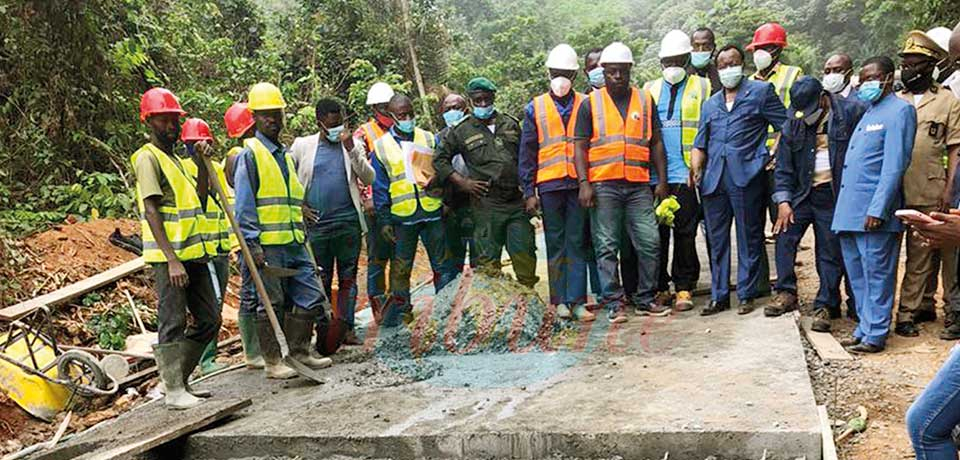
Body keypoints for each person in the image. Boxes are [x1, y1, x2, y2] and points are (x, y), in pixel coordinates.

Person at [233, 82, 333, 377]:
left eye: (276, 113)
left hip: (294, 241)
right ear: (254, 118)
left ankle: (300, 352)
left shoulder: (285, 156)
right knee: (271, 302)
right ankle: (273, 361)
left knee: (311, 293)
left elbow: (292, 200)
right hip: (269, 245)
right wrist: (252, 245)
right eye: (265, 115)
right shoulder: (249, 155)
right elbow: (244, 206)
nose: (272, 119)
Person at [132, 88, 222, 409]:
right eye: (164, 119)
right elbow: (152, 210)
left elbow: (198, 200)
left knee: (210, 318)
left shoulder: (178, 161)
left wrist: (199, 162)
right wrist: (171, 260)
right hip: (170, 258)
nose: (171, 125)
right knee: (172, 321)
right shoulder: (148, 158)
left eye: (174, 119)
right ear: (149, 121)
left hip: (194, 255)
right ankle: (172, 390)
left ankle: (179, 381)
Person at [573, 41, 669, 323]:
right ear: (603, 71)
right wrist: (584, 182)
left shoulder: (644, 100)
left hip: (639, 185)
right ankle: (614, 302)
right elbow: (579, 146)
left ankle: (645, 298)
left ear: (630, 71)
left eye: (622, 71)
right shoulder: (590, 104)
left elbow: (657, 143)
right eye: (611, 72)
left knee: (650, 242)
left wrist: (661, 180)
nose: (617, 76)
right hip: (604, 185)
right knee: (606, 246)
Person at [690, 45, 787, 316]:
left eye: (732, 63)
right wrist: (696, 170)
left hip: (747, 176)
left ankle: (746, 294)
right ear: (717, 70)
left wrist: (769, 155)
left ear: (742, 64)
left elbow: (785, 125)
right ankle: (719, 296)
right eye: (722, 65)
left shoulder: (760, 92)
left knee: (749, 236)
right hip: (713, 180)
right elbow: (701, 141)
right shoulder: (711, 103)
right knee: (717, 240)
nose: (727, 68)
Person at [767, 77, 866, 332]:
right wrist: (784, 201)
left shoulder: (849, 113)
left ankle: (826, 302)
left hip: (832, 195)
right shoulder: (793, 123)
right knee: (785, 236)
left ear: (823, 98)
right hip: (801, 194)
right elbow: (784, 167)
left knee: (829, 250)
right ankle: (786, 292)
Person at [832, 56, 917, 354]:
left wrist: (878, 209)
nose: (866, 83)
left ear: (888, 77)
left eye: (873, 77)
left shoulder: (900, 111)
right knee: (857, 274)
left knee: (877, 273)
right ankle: (864, 327)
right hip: (849, 211)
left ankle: (876, 333)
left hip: (873, 214)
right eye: (863, 78)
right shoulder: (869, 112)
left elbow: (894, 166)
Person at [435, 77, 539, 288]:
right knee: (488, 267)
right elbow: (440, 160)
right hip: (486, 206)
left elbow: (527, 159)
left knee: (525, 256)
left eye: (486, 99)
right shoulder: (462, 130)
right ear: (471, 102)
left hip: (516, 203)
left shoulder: (510, 124)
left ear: (493, 98)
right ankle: (492, 314)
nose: (483, 104)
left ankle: (528, 309)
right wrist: (462, 183)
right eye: (478, 100)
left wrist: (530, 193)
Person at [519, 44, 595, 322]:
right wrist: (529, 192)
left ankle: (577, 301)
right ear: (549, 73)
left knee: (577, 242)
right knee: (555, 243)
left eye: (566, 73)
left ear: (574, 76)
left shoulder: (587, 103)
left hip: (579, 185)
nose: (560, 78)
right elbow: (527, 153)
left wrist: (590, 182)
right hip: (549, 186)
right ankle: (559, 301)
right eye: (556, 72)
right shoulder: (535, 107)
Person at [290, 97, 374, 345]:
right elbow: (288, 178)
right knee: (320, 278)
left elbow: (368, 177)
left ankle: (347, 328)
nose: (338, 128)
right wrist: (299, 206)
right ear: (320, 123)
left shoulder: (354, 144)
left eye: (341, 122)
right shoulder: (302, 146)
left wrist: (351, 149)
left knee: (348, 277)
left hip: (348, 223)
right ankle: (324, 330)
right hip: (317, 227)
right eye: (332, 124)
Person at [894, 31, 960, 338]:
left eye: (915, 63)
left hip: (932, 188)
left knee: (940, 254)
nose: (908, 68)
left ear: (930, 66)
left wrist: (949, 189)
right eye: (905, 62)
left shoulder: (947, 100)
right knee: (916, 258)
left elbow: (954, 148)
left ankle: (951, 311)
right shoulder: (896, 100)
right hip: (899, 189)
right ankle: (910, 311)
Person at [642, 30, 711, 312]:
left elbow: (709, 130)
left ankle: (684, 287)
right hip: (655, 176)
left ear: (687, 60)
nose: (672, 67)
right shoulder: (649, 89)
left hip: (687, 175)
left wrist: (700, 168)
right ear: (660, 62)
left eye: (677, 60)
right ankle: (660, 287)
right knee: (657, 235)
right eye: (667, 61)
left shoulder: (703, 87)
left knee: (685, 234)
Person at [372, 94, 453, 326]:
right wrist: (385, 220)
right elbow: (379, 186)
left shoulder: (427, 138)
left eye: (410, 113)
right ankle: (403, 313)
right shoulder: (381, 147)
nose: (407, 119)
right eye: (402, 115)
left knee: (441, 264)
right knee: (401, 268)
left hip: (431, 211)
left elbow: (442, 168)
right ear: (391, 116)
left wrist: (444, 198)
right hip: (402, 217)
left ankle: (445, 311)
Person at [175, 118, 234, 376]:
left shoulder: (217, 167)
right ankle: (205, 360)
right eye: (194, 143)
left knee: (217, 304)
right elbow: (198, 199)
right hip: (203, 249)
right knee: (211, 306)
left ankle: (210, 356)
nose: (200, 147)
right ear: (186, 145)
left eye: (205, 142)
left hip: (220, 247)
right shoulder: (186, 169)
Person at [221, 102, 262, 369]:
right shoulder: (240, 156)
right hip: (245, 237)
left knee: (257, 292)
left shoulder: (244, 153)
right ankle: (252, 352)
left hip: (247, 234)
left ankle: (260, 347)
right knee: (250, 293)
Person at [355, 82, 395, 322]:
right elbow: (357, 167)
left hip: (399, 202)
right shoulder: (364, 134)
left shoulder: (399, 128)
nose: (386, 110)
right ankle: (378, 304)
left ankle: (399, 302)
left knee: (399, 254)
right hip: (375, 206)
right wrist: (366, 198)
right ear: (375, 109)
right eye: (382, 107)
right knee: (378, 257)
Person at [437, 93, 476, 275]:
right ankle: (454, 300)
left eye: (456, 108)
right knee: (453, 261)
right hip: (450, 208)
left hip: (478, 204)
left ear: (466, 110)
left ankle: (482, 302)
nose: (452, 112)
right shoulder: (438, 139)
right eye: (448, 109)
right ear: (442, 112)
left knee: (482, 259)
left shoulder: (477, 132)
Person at [690, 27, 722, 94]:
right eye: (696, 46)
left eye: (706, 46)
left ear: (713, 48)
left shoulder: (720, 74)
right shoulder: (684, 74)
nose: (700, 50)